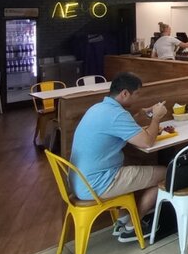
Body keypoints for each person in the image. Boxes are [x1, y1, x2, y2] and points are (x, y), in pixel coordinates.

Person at [69, 72, 167, 242]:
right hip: (97, 184)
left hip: (79, 181)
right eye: (137, 94)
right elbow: (147, 142)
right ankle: (133, 225)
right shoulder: (117, 115)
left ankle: (123, 219)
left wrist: (142, 115)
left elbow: (119, 125)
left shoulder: (98, 108)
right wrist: (156, 118)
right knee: (166, 174)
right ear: (125, 93)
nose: (138, 97)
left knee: (133, 166)